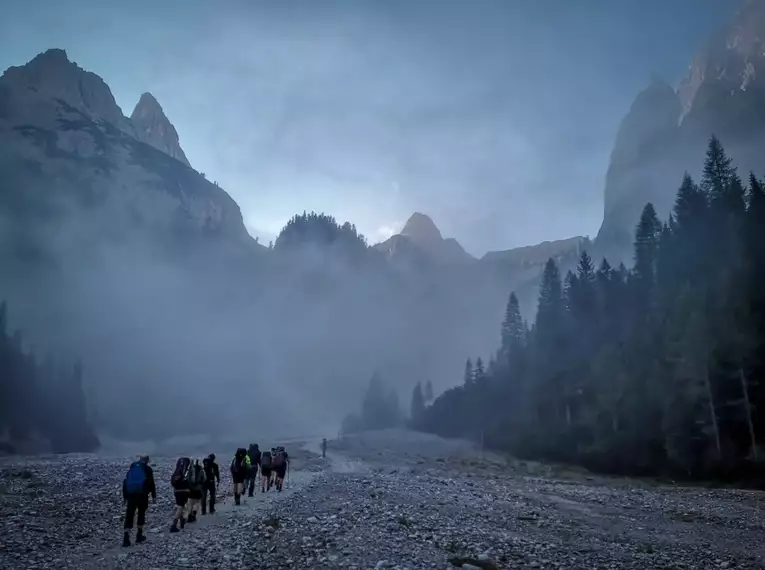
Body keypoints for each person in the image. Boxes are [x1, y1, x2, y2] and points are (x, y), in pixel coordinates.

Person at [121, 455, 156, 547]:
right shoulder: (148, 469)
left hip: (131, 495)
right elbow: (152, 483)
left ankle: (126, 538)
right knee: (141, 513)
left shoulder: (132, 467)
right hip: (142, 496)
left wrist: (125, 496)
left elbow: (126, 481)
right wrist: (153, 496)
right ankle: (139, 535)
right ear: (147, 460)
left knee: (129, 515)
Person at [170, 457, 192, 533]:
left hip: (176, 491)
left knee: (180, 506)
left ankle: (182, 522)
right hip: (184, 491)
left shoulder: (177, 470)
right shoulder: (186, 470)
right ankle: (174, 525)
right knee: (181, 507)